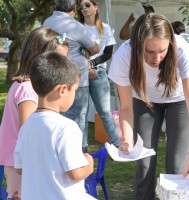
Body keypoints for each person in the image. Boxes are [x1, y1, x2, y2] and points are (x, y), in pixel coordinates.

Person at [108, 13, 189, 200]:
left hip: (179, 101)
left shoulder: (183, 50)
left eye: (162, 51)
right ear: (137, 45)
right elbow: (126, 107)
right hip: (144, 100)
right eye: (149, 51)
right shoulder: (124, 55)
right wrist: (127, 139)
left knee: (177, 165)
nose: (156, 58)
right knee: (144, 164)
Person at [14, 52, 95, 199]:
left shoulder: (26, 127)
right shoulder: (66, 127)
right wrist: (89, 163)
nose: (74, 95)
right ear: (62, 90)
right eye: (74, 90)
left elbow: (20, 168)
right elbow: (76, 173)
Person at [0, 27, 68, 199]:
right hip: (23, 163)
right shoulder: (28, 90)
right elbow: (29, 133)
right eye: (58, 61)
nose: (63, 68)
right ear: (39, 56)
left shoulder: (25, 85)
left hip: (20, 161)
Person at [43, 0, 100, 153]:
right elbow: (95, 48)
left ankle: (59, 149)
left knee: (55, 116)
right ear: (75, 8)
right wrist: (84, 50)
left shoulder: (46, 22)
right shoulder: (75, 26)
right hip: (75, 79)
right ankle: (78, 150)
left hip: (52, 76)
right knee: (78, 117)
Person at [78, 0, 120, 147]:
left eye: (87, 5)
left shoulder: (105, 28)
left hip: (99, 73)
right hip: (80, 72)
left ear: (96, 7)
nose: (84, 8)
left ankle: (117, 144)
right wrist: (87, 68)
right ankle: (82, 147)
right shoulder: (78, 28)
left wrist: (93, 64)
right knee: (81, 112)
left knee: (105, 111)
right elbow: (75, 52)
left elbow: (108, 53)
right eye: (82, 6)